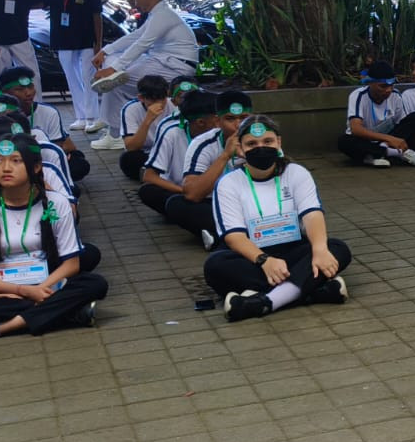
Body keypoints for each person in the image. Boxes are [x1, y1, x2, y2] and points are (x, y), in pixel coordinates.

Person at [207, 115, 352, 321]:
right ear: (240, 148)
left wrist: (319, 250)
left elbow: (312, 214)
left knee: (337, 248)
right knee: (216, 265)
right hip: (252, 255)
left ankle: (264, 302)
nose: (261, 148)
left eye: (268, 141)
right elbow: (234, 236)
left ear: (279, 143)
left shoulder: (296, 173)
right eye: (252, 144)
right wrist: (264, 261)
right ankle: (312, 291)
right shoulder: (228, 183)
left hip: (292, 248)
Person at [0, 134, 107, 338]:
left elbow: (72, 264)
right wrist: (20, 291)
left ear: (36, 167)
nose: (5, 168)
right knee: (65, 299)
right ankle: (69, 313)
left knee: (95, 284)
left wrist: (37, 290)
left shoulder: (56, 203)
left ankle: (2, 328)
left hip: (46, 282)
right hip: (1, 287)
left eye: (16, 161)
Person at [90, 0, 199, 139]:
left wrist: (113, 69)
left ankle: (115, 134)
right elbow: (136, 36)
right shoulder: (157, 13)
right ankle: (109, 121)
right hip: (162, 60)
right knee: (113, 67)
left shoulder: (163, 15)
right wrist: (106, 51)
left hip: (175, 66)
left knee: (115, 82)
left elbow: (143, 44)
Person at [168, 90, 253, 245]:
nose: (238, 125)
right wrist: (225, 156)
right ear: (217, 121)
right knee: (177, 204)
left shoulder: (265, 140)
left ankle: (221, 237)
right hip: (216, 205)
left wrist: (251, 156)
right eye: (230, 119)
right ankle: (237, 237)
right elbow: (192, 193)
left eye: (244, 118)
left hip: (253, 204)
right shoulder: (202, 143)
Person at [42, 0, 105, 129]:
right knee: (71, 77)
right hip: (62, 38)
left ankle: (93, 117)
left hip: (86, 38)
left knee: (88, 76)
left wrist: (98, 43)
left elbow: (96, 15)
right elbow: (39, 3)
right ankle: (81, 116)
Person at [0, 66, 88, 183]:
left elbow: (56, 146)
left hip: (43, 158)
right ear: (4, 93)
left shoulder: (49, 111)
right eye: (20, 89)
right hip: (6, 161)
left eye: (30, 87)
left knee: (78, 164)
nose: (28, 93)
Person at [140, 89, 219, 217]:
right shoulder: (172, 133)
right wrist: (186, 191)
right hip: (183, 193)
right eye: (218, 118)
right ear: (200, 122)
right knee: (150, 192)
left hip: (216, 195)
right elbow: (149, 176)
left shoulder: (224, 135)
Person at [338, 61, 415, 167]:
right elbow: (356, 129)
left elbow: (403, 123)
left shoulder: (395, 95)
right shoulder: (358, 96)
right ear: (371, 83)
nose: (388, 90)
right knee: (344, 142)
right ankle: (395, 153)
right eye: (383, 86)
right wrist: (389, 139)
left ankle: (374, 154)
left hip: (390, 138)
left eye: (391, 86)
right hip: (366, 140)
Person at [97, 73, 173, 177]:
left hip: (169, 152)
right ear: (141, 98)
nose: (159, 103)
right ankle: (158, 173)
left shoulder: (174, 105)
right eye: (154, 100)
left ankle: (155, 174)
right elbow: (131, 146)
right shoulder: (130, 109)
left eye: (162, 99)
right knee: (128, 159)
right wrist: (147, 121)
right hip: (146, 153)